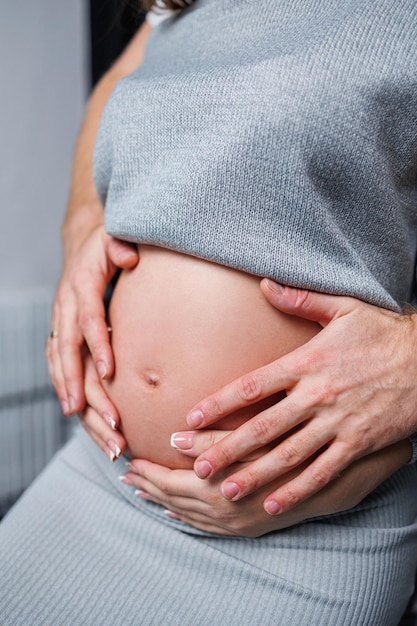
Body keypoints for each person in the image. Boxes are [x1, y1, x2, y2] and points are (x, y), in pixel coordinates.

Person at [1, 1, 417, 624]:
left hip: (306, 526)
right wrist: (84, 223)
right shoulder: (183, 4)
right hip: (104, 477)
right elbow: (117, 89)